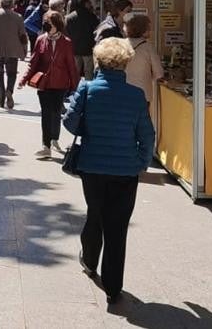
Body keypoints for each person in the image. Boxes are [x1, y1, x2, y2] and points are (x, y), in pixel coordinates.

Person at [63, 37, 155, 305]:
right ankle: (113, 286)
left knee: (95, 213)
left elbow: (70, 123)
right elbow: (146, 135)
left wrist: (89, 129)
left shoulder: (87, 89)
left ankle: (90, 260)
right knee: (118, 226)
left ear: (98, 61)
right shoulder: (136, 96)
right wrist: (141, 162)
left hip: (92, 166)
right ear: (125, 63)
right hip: (126, 170)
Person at [20, 10, 80, 159]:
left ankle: (54, 139)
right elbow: (33, 63)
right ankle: (45, 145)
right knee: (46, 114)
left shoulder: (66, 42)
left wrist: (76, 85)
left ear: (57, 25)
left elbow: (71, 65)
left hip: (60, 84)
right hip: (44, 83)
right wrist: (23, 79)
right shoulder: (41, 40)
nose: (47, 26)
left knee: (56, 112)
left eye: (50, 24)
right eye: (46, 23)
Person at [0, 0, 29, 110]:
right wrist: (25, 49)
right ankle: (9, 91)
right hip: (13, 50)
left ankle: (1, 98)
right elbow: (23, 36)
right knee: (12, 73)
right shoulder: (18, 17)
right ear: (12, 5)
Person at [123, 14, 165, 134]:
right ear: (143, 29)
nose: (150, 30)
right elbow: (159, 73)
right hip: (142, 93)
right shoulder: (148, 47)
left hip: (123, 89)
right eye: (148, 27)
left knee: (125, 122)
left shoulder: (121, 45)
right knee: (140, 124)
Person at [66, 0, 100, 81]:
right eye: (89, 2)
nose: (91, 4)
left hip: (74, 48)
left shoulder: (70, 17)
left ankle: (74, 89)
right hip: (88, 48)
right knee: (88, 72)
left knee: (75, 72)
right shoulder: (91, 16)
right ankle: (88, 90)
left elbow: (67, 32)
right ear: (85, 3)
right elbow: (97, 30)